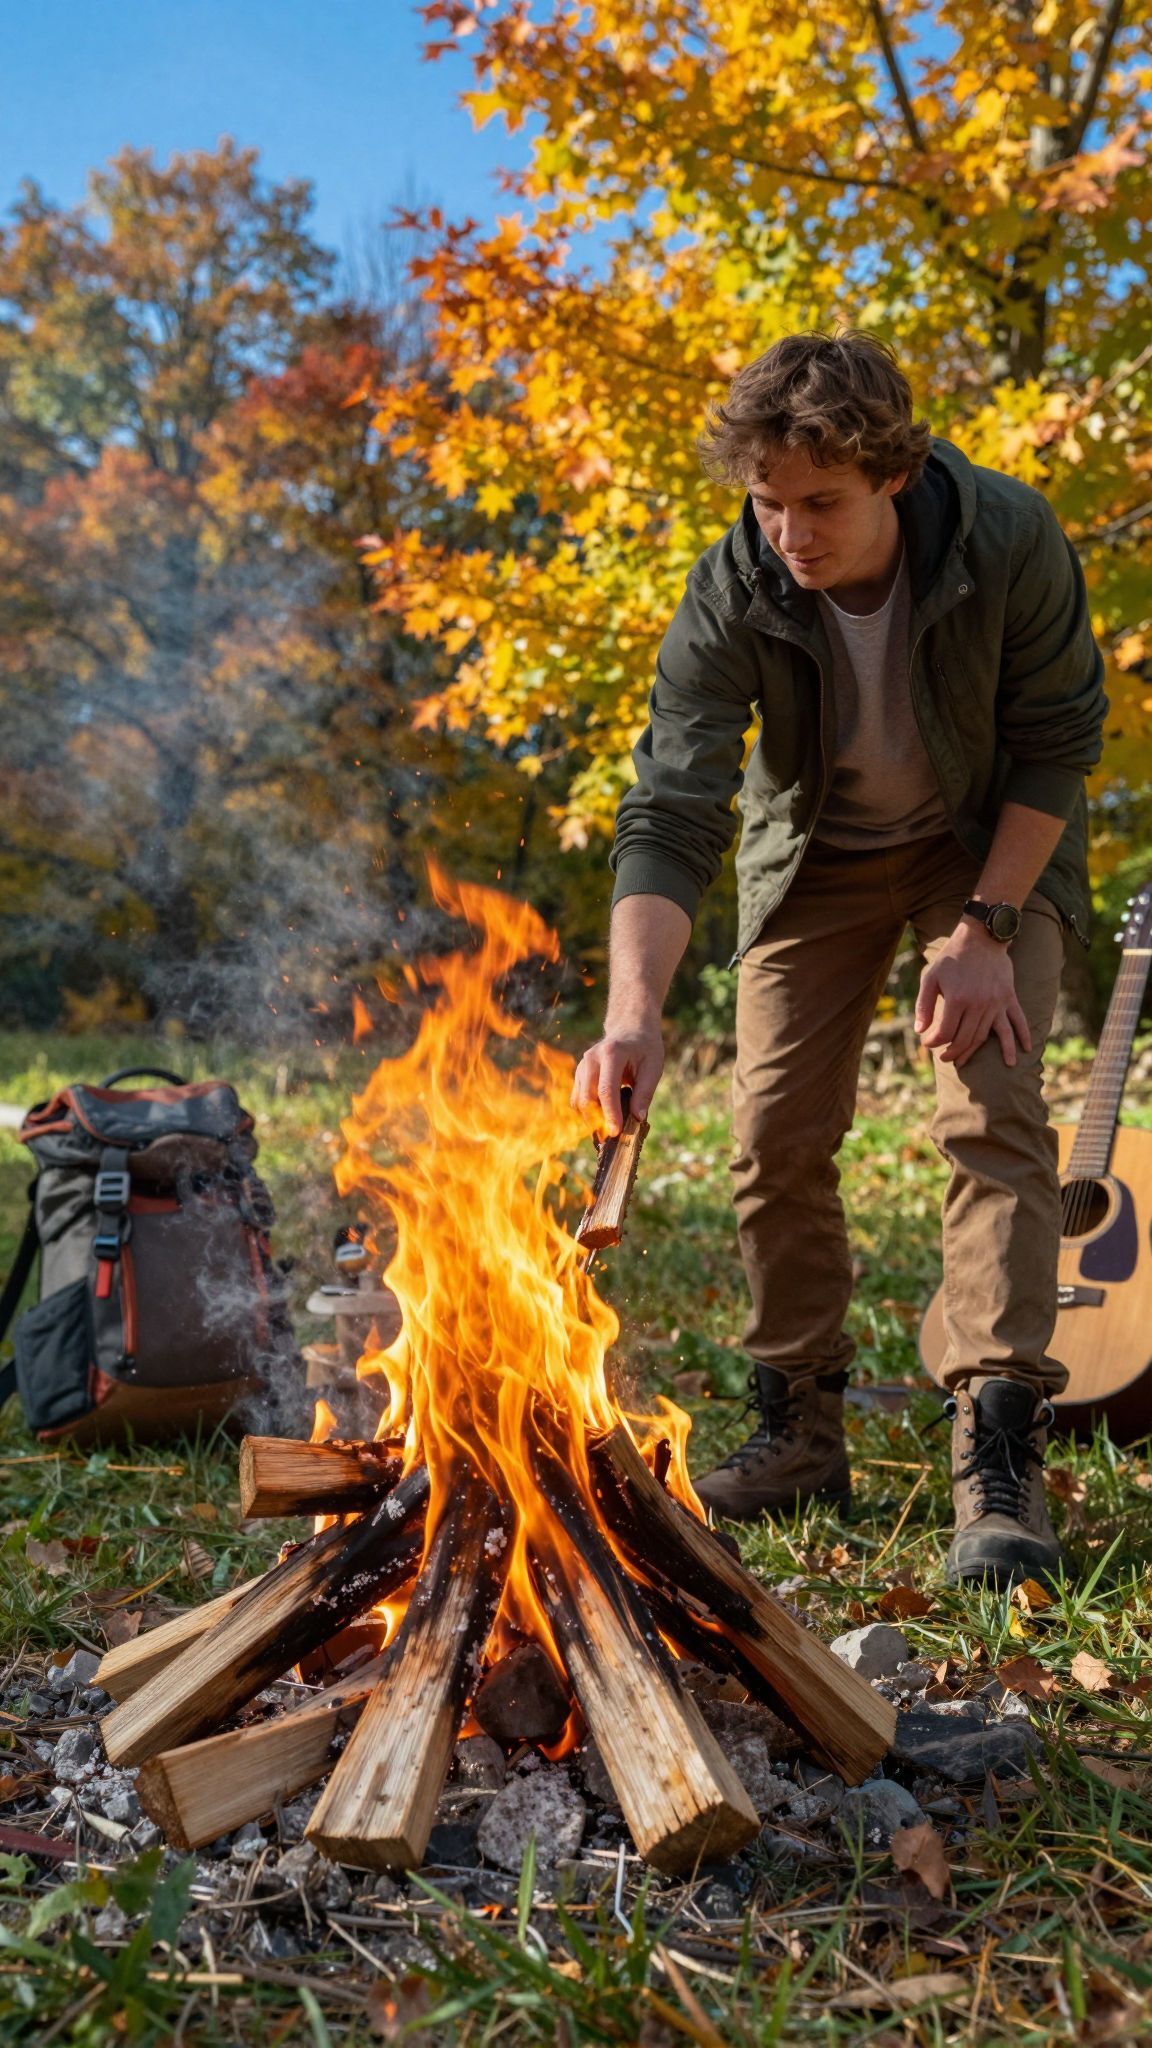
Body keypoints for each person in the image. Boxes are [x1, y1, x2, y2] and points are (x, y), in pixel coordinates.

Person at [573, 329, 1106, 1588]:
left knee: (990, 1111)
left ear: (895, 474)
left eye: (821, 503)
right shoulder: (733, 586)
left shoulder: (1009, 538)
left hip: (984, 849)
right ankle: (799, 1427)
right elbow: (673, 807)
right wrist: (634, 1013)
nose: (792, 535)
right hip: (814, 858)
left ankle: (998, 1446)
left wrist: (983, 931)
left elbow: (1056, 744)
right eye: (768, 504)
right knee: (771, 1132)